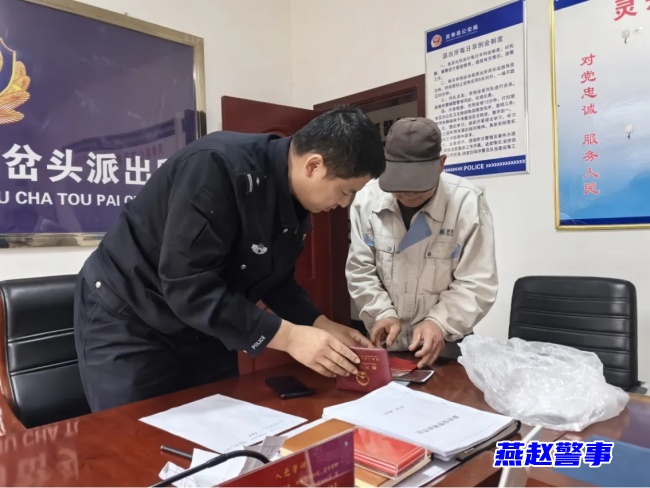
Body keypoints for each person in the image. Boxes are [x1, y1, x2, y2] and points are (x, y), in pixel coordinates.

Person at [74, 105, 385, 412]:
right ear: (313, 166)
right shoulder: (216, 166)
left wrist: (320, 323)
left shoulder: (294, 198)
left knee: (220, 422)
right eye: (345, 191)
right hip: (130, 314)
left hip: (203, 320)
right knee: (134, 433)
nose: (343, 203)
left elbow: (275, 280)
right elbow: (187, 285)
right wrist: (290, 337)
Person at [346, 117, 497, 368]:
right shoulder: (367, 200)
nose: (408, 194)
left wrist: (439, 322)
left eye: (418, 187)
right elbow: (360, 269)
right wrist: (381, 312)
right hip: (387, 339)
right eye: (399, 187)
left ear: (441, 164)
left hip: (446, 342)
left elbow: (477, 281)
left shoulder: (467, 202)